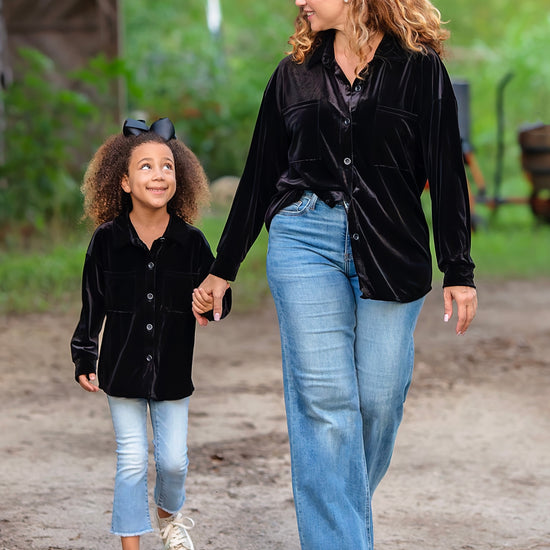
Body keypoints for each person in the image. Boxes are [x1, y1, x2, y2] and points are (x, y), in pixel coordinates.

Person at [193, 0, 478, 547]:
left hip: (392, 248)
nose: (300, 2)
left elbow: (445, 169)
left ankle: (340, 512)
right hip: (303, 239)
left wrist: (458, 268)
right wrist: (221, 269)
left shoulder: (419, 69)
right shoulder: (292, 74)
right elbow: (258, 175)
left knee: (377, 399)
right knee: (325, 402)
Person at [71, 117, 231, 550]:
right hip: (121, 372)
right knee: (131, 463)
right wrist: (85, 354)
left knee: (174, 464)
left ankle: (167, 516)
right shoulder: (105, 241)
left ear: (180, 179)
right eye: (145, 167)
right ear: (122, 182)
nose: (158, 174)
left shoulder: (193, 243)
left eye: (167, 166)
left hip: (173, 374)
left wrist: (209, 304)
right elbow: (93, 305)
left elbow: (220, 297)